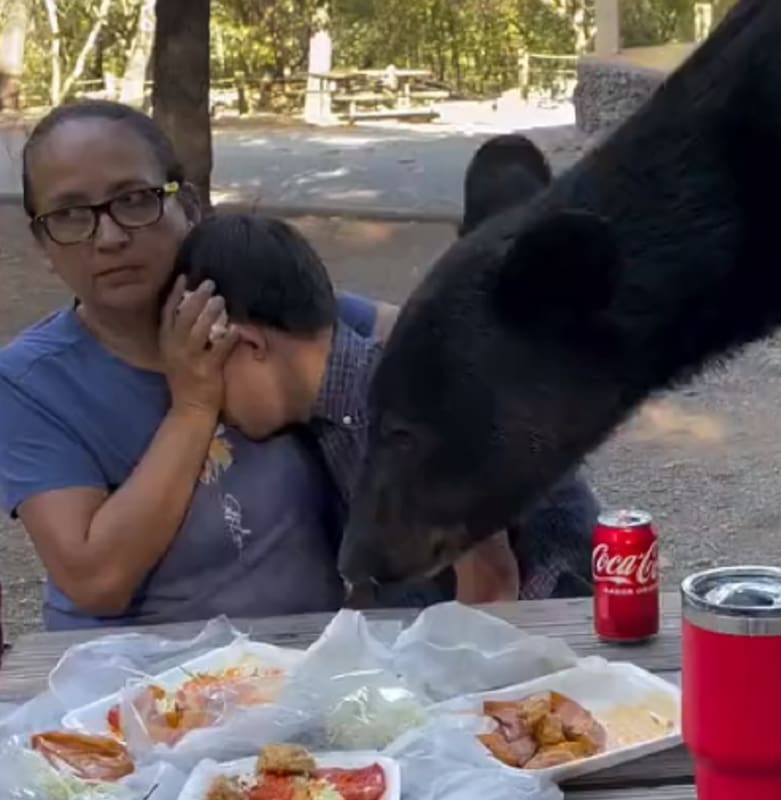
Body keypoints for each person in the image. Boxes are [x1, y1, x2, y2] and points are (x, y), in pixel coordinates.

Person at [0, 99, 393, 630]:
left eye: (134, 199)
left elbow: (424, 338)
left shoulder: (257, 308)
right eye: (70, 215)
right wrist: (192, 404)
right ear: (44, 243)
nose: (110, 237)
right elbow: (96, 581)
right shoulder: (31, 382)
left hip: (307, 667)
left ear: (188, 204)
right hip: (133, 688)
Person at [173, 212, 599, 604]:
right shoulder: (330, 413)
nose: (212, 402)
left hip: (555, 611)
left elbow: (492, 584)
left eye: (208, 368)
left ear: (248, 343)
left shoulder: (410, 410)